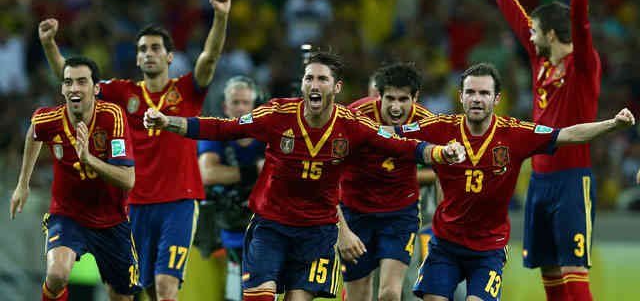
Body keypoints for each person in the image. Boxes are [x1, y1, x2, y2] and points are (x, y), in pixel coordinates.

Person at [143, 51, 467, 301]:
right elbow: (222, 127)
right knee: (262, 295)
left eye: (322, 79)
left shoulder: (352, 125)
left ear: (336, 87)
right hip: (272, 224)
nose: (314, 84)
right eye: (309, 78)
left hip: (316, 232)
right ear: (302, 83)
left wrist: (441, 153)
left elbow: (402, 146)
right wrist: (168, 122)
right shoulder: (277, 115)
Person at [39, 0, 231, 301]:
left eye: (156, 48)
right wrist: (50, 44)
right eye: (142, 49)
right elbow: (73, 81)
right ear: (137, 57)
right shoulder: (121, 93)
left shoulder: (186, 91)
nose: (148, 54)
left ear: (169, 56)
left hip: (179, 202)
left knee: (167, 286)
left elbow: (209, 57)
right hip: (134, 205)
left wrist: (221, 17)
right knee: (143, 290)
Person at [390, 63, 633, 301]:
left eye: (484, 93)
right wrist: (354, 125)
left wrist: (612, 124)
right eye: (471, 92)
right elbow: (389, 134)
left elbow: (566, 134)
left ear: (496, 99)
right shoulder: (439, 127)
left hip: (488, 249)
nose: (477, 99)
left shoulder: (515, 133)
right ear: (460, 97)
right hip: (445, 245)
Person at [480, 0, 601, 300]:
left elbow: (580, 22)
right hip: (540, 180)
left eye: (536, 31)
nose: (529, 36)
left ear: (551, 34)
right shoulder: (541, 63)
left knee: (572, 268)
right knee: (548, 269)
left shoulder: (583, 66)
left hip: (571, 180)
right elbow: (517, 19)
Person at [9, 57, 141, 301]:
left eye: (82, 81)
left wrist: (89, 159)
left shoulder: (112, 117)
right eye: (68, 82)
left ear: (96, 88)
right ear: (62, 89)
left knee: (121, 296)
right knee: (56, 274)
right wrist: (22, 184)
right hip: (67, 215)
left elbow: (127, 180)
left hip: (112, 220)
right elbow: (34, 133)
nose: (74, 88)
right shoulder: (49, 119)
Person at [337, 63, 435, 301]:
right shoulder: (353, 117)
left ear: (415, 97)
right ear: (378, 95)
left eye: (403, 99)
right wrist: (341, 230)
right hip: (355, 213)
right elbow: (326, 174)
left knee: (390, 293)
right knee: (358, 297)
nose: (395, 106)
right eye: (389, 98)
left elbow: (446, 171)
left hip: (400, 215)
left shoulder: (427, 122)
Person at [197, 76, 266, 301]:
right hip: (229, 224)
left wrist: (232, 176)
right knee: (236, 290)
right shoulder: (214, 132)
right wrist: (254, 171)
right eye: (235, 103)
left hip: (266, 224)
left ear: (254, 107)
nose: (241, 108)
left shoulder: (267, 134)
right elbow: (207, 173)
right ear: (225, 107)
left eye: (246, 103)